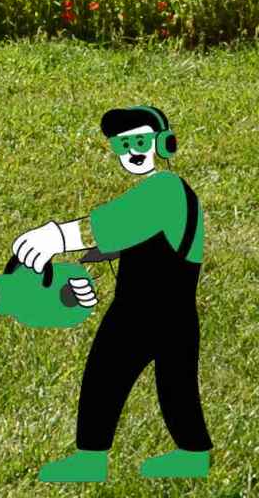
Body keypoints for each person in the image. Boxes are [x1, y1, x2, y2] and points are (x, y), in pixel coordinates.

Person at [11, 104, 210, 484]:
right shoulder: (155, 195)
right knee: (156, 379)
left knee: (132, 378)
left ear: (164, 144)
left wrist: (55, 236)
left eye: (140, 141)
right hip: (148, 309)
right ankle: (184, 454)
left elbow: (111, 224)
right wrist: (78, 276)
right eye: (123, 144)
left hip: (153, 311)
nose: (132, 151)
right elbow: (120, 241)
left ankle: (99, 457)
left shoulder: (167, 190)